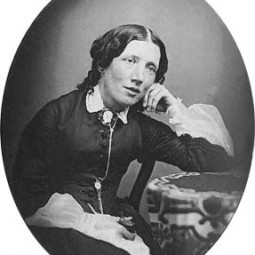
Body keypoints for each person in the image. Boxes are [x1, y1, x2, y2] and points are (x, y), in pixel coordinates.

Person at [11, 24, 234, 255]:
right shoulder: (57, 115)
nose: (138, 77)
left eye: (150, 68)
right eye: (130, 60)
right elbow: (23, 195)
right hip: (57, 230)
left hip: (119, 224)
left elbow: (210, 160)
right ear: (103, 64)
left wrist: (174, 107)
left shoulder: (141, 128)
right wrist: (88, 224)